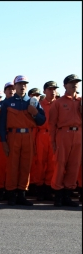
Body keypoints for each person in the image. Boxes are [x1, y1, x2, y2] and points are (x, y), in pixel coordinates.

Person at [0, 75, 46, 206]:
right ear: (15, 86)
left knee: (26, 166)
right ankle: (11, 194)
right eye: (19, 84)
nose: (22, 86)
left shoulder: (33, 102)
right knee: (12, 165)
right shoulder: (7, 102)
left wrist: (35, 113)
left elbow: (42, 121)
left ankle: (22, 194)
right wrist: (3, 141)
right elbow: (1, 124)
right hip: (13, 136)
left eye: (24, 84)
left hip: (28, 136)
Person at [50, 74, 82, 207]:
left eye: (76, 82)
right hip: (63, 134)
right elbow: (52, 124)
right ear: (65, 85)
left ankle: (68, 195)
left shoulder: (81, 101)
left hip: (78, 134)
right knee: (60, 164)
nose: (74, 84)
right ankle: (58, 195)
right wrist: (53, 142)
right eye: (71, 82)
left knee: (74, 165)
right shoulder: (58, 102)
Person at [32, 81, 59, 201]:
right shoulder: (39, 105)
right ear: (44, 91)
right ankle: (39, 189)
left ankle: (48, 188)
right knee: (40, 162)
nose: (52, 91)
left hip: (55, 136)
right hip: (42, 135)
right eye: (50, 89)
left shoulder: (59, 104)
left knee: (52, 163)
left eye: (54, 89)